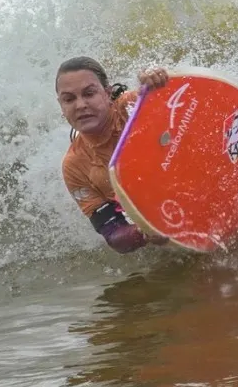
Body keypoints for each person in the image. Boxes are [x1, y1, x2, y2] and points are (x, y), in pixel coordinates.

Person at [56, 56, 171, 254]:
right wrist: (144, 232)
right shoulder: (74, 166)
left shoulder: (133, 106)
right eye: (69, 99)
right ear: (61, 106)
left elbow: (183, 104)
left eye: (89, 94)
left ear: (108, 94)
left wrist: (157, 78)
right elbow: (113, 234)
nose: (80, 105)